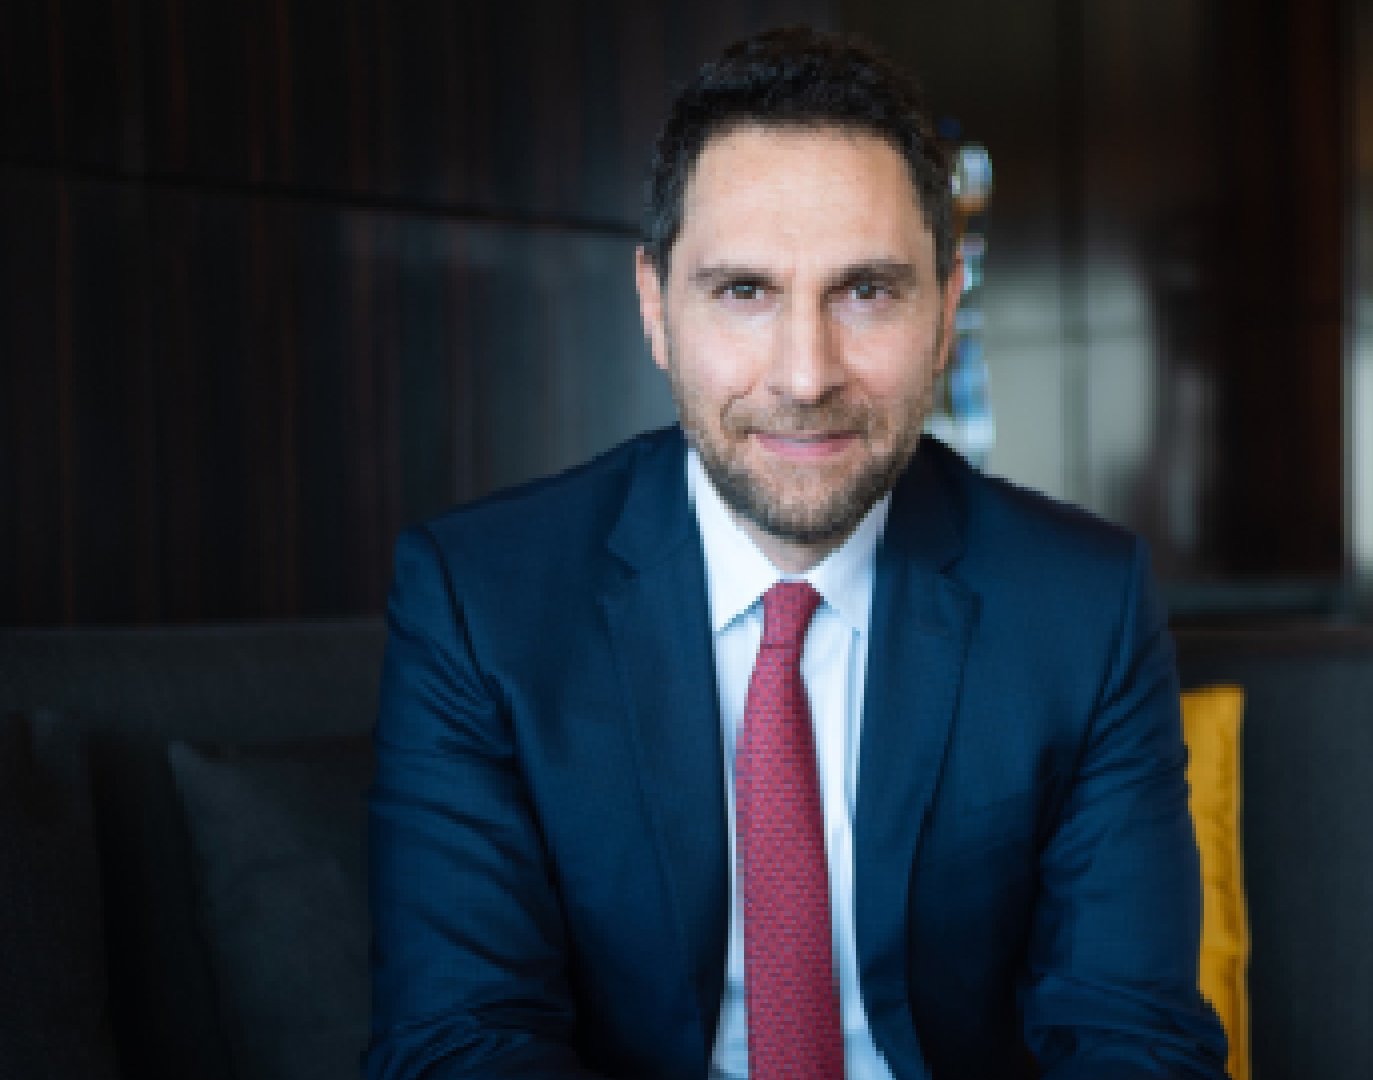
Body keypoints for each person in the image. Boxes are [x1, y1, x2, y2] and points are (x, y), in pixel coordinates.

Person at [366, 26, 1227, 1080]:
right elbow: (462, 1041)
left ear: (948, 309)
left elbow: (1132, 1042)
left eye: (867, 290)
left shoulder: (1082, 606)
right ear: (655, 307)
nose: (806, 373)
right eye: (744, 292)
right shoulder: (480, 601)